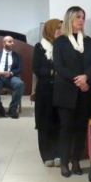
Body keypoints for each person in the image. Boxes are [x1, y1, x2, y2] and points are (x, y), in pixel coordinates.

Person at [53, 6, 91, 177]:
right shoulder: (60, 42)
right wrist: (78, 80)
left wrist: (86, 77)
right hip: (66, 91)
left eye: (83, 17)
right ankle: (64, 162)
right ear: (69, 19)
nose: (81, 20)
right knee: (66, 127)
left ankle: (76, 160)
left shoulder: (89, 41)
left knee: (80, 128)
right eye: (78, 17)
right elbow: (59, 66)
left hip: (85, 91)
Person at [33, 19, 61, 167]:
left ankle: (58, 153)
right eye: (57, 28)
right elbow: (37, 68)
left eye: (61, 28)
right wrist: (53, 72)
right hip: (44, 91)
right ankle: (46, 154)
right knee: (44, 122)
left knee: (58, 121)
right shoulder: (40, 47)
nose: (60, 31)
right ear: (49, 30)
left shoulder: (63, 46)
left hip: (60, 90)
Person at [0, 36, 24, 119]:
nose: (12, 43)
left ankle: (13, 108)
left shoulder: (17, 56)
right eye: (10, 41)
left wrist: (10, 73)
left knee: (20, 84)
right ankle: (0, 108)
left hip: (10, 77)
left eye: (13, 41)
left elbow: (20, 69)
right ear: (3, 44)